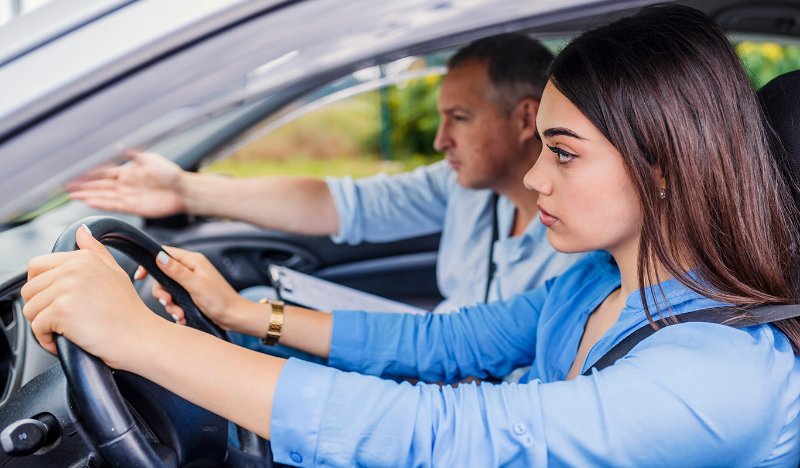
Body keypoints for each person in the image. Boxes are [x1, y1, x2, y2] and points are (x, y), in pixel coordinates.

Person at [23, 4, 800, 467]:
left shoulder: (722, 375)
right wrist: (234, 317)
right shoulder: (604, 280)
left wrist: (145, 342)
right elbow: (448, 347)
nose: (536, 180)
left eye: (563, 154)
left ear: (665, 166)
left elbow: (453, 439)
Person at [66, 34, 584, 314]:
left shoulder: (583, 239)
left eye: (460, 118)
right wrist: (184, 188)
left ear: (524, 118)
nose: (439, 139)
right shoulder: (463, 187)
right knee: (253, 307)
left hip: (465, 391)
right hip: (438, 354)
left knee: (252, 319)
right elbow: (336, 203)